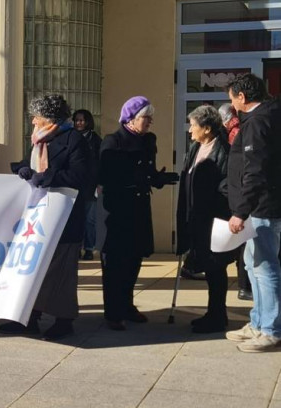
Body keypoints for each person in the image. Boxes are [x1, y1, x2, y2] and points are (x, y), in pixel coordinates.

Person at [0, 95, 91, 340]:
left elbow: (82, 176)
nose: (33, 122)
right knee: (36, 267)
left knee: (61, 269)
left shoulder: (74, 139)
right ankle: (29, 318)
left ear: (49, 119)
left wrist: (50, 177)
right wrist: (21, 168)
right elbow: (32, 165)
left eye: (36, 117)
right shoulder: (41, 140)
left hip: (65, 216)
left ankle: (64, 320)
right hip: (38, 215)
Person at [99, 96, 178, 331]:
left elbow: (148, 171)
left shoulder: (148, 141)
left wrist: (159, 178)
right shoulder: (113, 142)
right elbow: (106, 176)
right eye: (146, 117)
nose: (150, 122)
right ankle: (113, 312)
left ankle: (127, 305)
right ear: (131, 119)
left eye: (150, 118)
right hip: (118, 209)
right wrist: (136, 178)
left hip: (139, 207)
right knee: (115, 261)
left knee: (134, 258)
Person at [224, 74, 281, 352]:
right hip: (258, 207)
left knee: (264, 267)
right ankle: (258, 322)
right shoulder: (265, 118)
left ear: (242, 98)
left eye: (232, 99)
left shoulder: (259, 122)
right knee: (252, 265)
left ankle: (271, 329)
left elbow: (256, 171)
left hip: (261, 208)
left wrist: (241, 211)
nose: (232, 105)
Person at [175, 105, 234, 334]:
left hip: (213, 219)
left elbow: (227, 186)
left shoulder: (224, 152)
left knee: (215, 268)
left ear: (207, 128)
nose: (190, 131)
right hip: (195, 217)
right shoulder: (195, 148)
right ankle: (213, 313)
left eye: (194, 126)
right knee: (207, 267)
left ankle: (218, 315)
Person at [221, 102, 253, 301]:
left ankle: (244, 286)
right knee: (245, 244)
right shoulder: (239, 131)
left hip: (235, 193)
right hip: (240, 194)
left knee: (243, 244)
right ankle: (245, 286)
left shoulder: (233, 131)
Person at [73, 109, 103, 261]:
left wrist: (100, 183)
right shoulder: (71, 137)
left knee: (90, 219)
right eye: (77, 120)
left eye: (82, 120)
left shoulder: (95, 139)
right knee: (75, 219)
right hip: (74, 184)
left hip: (90, 185)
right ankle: (76, 247)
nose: (79, 123)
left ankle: (89, 248)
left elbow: (101, 163)